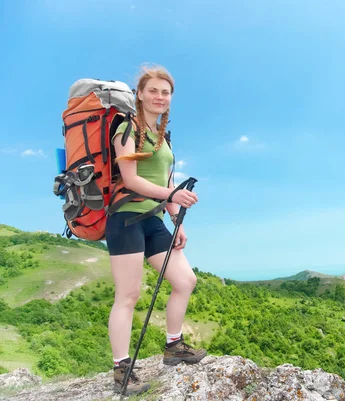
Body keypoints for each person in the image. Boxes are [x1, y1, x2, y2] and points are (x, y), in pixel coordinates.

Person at [106, 64, 206, 395]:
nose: (159, 97)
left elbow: (166, 180)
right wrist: (172, 196)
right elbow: (132, 179)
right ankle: (121, 369)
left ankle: (173, 346)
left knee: (185, 280)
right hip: (125, 218)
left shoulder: (162, 137)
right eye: (153, 91)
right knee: (129, 295)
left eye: (165, 92)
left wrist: (175, 217)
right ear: (140, 94)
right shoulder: (126, 129)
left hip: (153, 219)